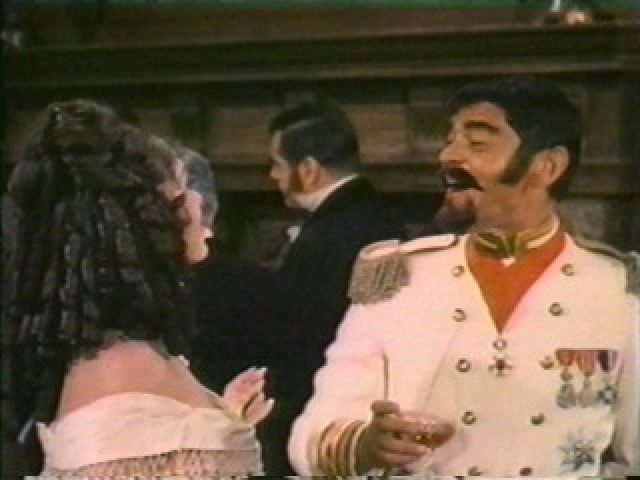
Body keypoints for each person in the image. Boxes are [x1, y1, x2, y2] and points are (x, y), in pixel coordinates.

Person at [288, 77, 639, 477]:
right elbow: (311, 437)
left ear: (547, 167)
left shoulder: (615, 288)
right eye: (449, 141)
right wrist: (366, 445)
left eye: (477, 144)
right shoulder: (397, 276)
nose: (448, 157)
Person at [5, 99, 273, 477]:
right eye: (179, 196)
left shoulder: (138, 351)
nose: (197, 204)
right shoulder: (121, 374)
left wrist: (224, 421)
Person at [191, 97, 406, 474]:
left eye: (277, 164)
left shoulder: (328, 235)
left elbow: (299, 334)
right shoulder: (375, 216)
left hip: (326, 408)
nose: (272, 176)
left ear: (308, 170)